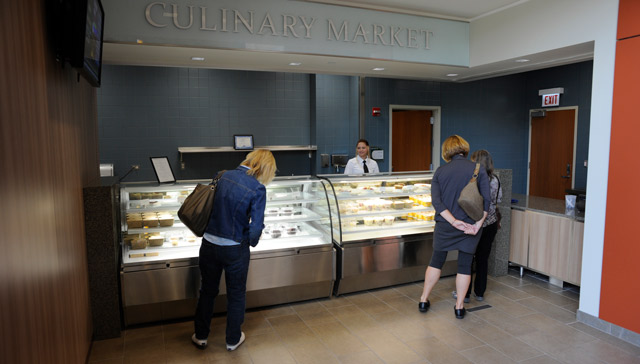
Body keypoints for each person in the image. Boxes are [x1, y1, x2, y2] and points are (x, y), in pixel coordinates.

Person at [192, 149, 277, 351]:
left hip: (209, 245)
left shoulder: (221, 175)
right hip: (234, 249)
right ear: (265, 167)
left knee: (207, 291)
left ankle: (201, 336)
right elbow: (256, 227)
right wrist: (248, 241)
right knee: (236, 294)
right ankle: (232, 339)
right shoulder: (257, 188)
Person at [418, 135, 491, 319]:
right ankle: (459, 307)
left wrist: (452, 221)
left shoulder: (440, 172)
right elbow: (487, 202)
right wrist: (477, 225)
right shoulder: (477, 168)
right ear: (464, 149)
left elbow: (437, 202)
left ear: (446, 151)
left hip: (446, 225)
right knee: (465, 265)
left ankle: (423, 299)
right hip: (470, 226)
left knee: (436, 262)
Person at [453, 150, 503, 303]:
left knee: (468, 258)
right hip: (491, 223)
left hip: (473, 222)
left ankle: (465, 294)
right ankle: (480, 292)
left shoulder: (473, 179)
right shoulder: (495, 179)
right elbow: (498, 199)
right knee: (483, 258)